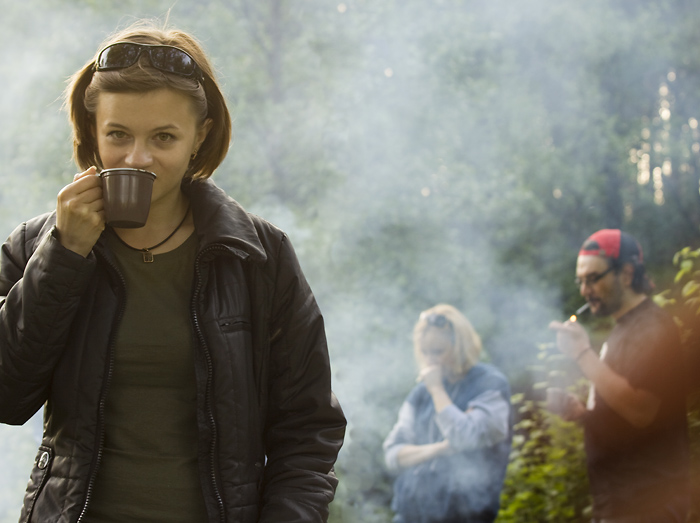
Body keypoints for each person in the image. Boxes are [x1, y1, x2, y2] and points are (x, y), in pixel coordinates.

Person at [0, 21, 346, 523]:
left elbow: (308, 432)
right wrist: (65, 255)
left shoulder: (258, 257)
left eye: (163, 137)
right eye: (118, 134)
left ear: (199, 137)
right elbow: (7, 397)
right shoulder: (37, 247)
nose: (137, 158)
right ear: (93, 132)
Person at [549, 229, 690, 523]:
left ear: (626, 274)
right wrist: (585, 414)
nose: (585, 290)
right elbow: (621, 414)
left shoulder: (653, 327)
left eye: (593, 278)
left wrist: (582, 353)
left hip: (648, 503)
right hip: (618, 503)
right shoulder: (622, 330)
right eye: (580, 281)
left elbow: (640, 410)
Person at [383, 304, 512, 523]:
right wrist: (440, 449)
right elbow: (393, 454)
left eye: (438, 351)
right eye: (425, 352)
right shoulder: (420, 393)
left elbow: (464, 437)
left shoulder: (490, 385)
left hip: (465, 516)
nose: (430, 360)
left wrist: (437, 390)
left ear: (460, 347)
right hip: (409, 516)